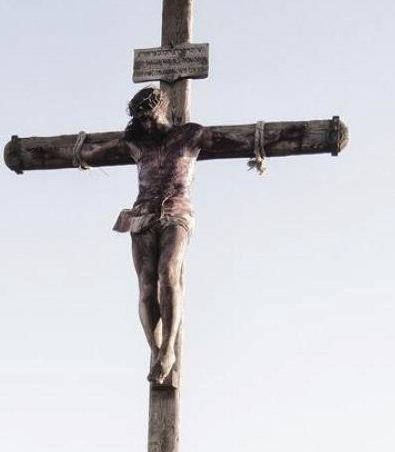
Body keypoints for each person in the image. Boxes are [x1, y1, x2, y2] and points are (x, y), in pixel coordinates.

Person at [77, 86, 261, 386]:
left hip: (176, 212)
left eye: (150, 117)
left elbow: (233, 140)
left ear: (163, 109)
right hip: (143, 215)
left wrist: (259, 140)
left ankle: (169, 349)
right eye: (141, 120)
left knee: (168, 272)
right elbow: (95, 152)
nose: (146, 124)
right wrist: (77, 152)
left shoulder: (189, 135)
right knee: (146, 285)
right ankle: (156, 350)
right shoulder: (136, 142)